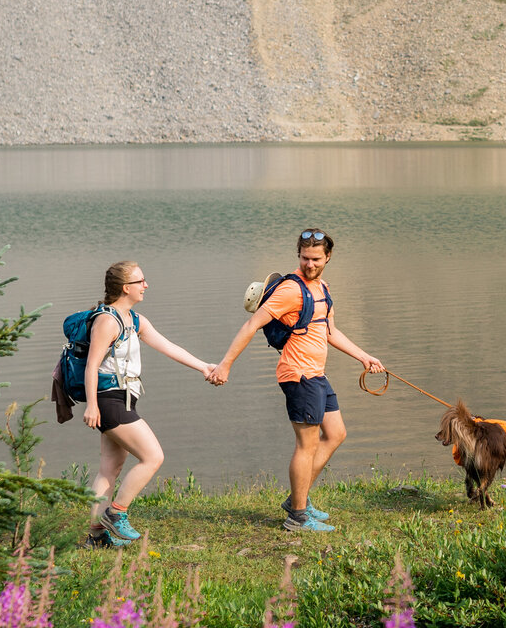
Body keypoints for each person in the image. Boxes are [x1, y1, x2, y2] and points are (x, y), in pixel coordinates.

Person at [209, 229, 383, 532]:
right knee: (307, 444)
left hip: (317, 374)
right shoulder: (291, 290)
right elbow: (252, 324)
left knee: (337, 433)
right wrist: (225, 365)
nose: (310, 264)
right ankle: (297, 515)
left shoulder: (323, 288)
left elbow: (330, 332)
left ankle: (296, 499)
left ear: (328, 257)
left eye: (316, 259)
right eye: (305, 258)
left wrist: (364, 357)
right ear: (298, 256)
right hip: (298, 375)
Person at [82, 261, 216, 548]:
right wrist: (91, 405)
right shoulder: (107, 321)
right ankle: (116, 514)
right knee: (153, 456)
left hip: (124, 398)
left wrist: (204, 367)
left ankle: (96, 536)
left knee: (110, 466)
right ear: (124, 287)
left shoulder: (135, 320)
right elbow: (91, 366)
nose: (146, 285)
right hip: (109, 400)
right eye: (140, 281)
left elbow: (169, 347)